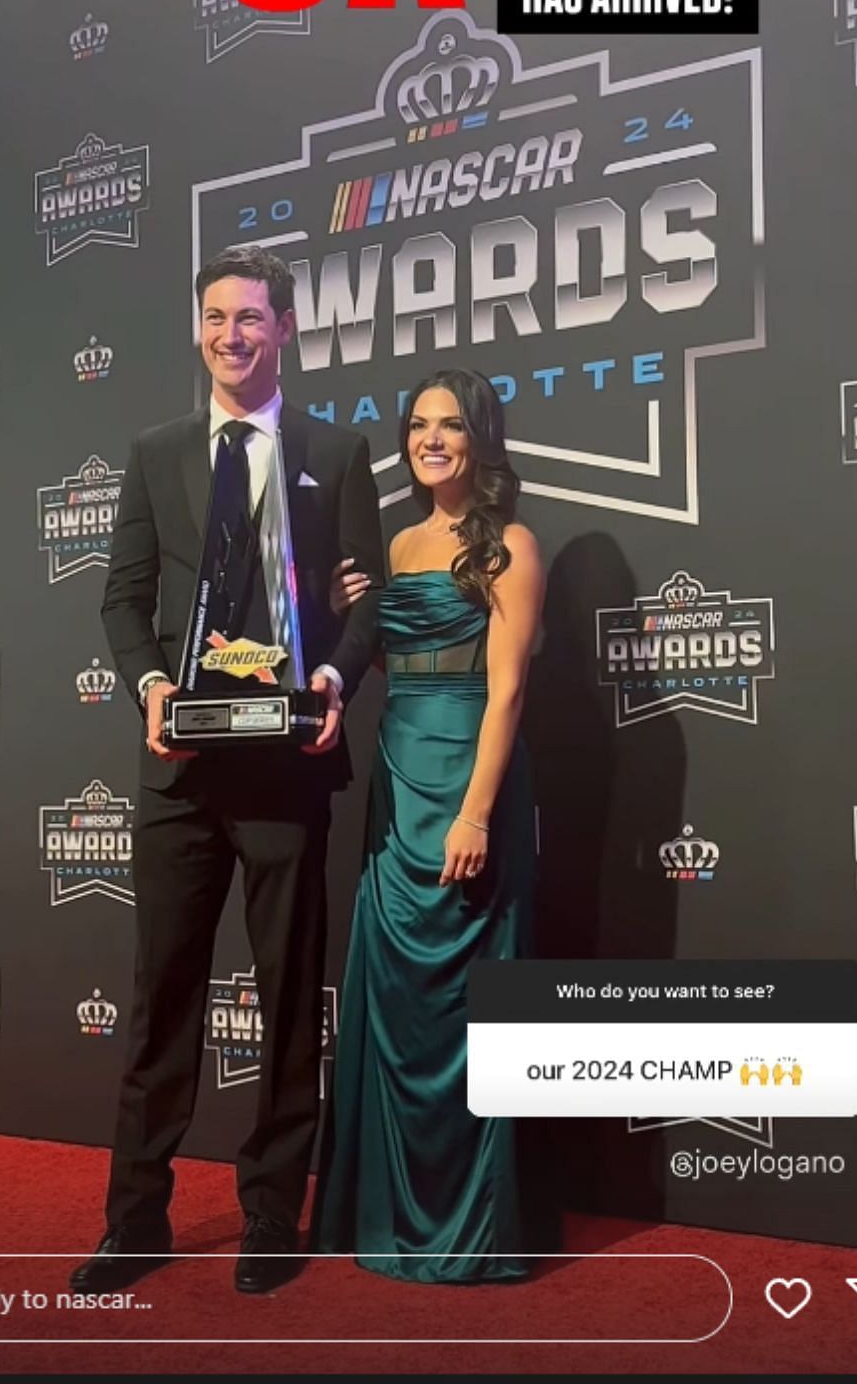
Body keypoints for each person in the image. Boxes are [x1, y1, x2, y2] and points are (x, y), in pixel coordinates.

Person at [70, 245, 384, 1298]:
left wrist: (335, 678)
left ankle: (267, 1216)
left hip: (289, 768)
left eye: (251, 317)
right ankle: (135, 1220)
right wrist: (151, 691)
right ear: (197, 327)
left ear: (285, 328)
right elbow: (122, 600)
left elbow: (367, 600)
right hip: (181, 771)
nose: (231, 334)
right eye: (215, 316)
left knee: (290, 999)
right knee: (162, 997)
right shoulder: (157, 452)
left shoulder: (335, 452)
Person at [310, 367, 545, 1282]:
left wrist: (478, 815)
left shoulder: (512, 546)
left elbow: (509, 691)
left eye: (451, 425)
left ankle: (470, 1230)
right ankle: (385, 1217)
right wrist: (342, 617)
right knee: (399, 1004)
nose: (431, 440)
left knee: (467, 1008)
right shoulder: (398, 545)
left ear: (482, 438)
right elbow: (374, 659)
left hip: (468, 779)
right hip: (398, 780)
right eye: (417, 426)